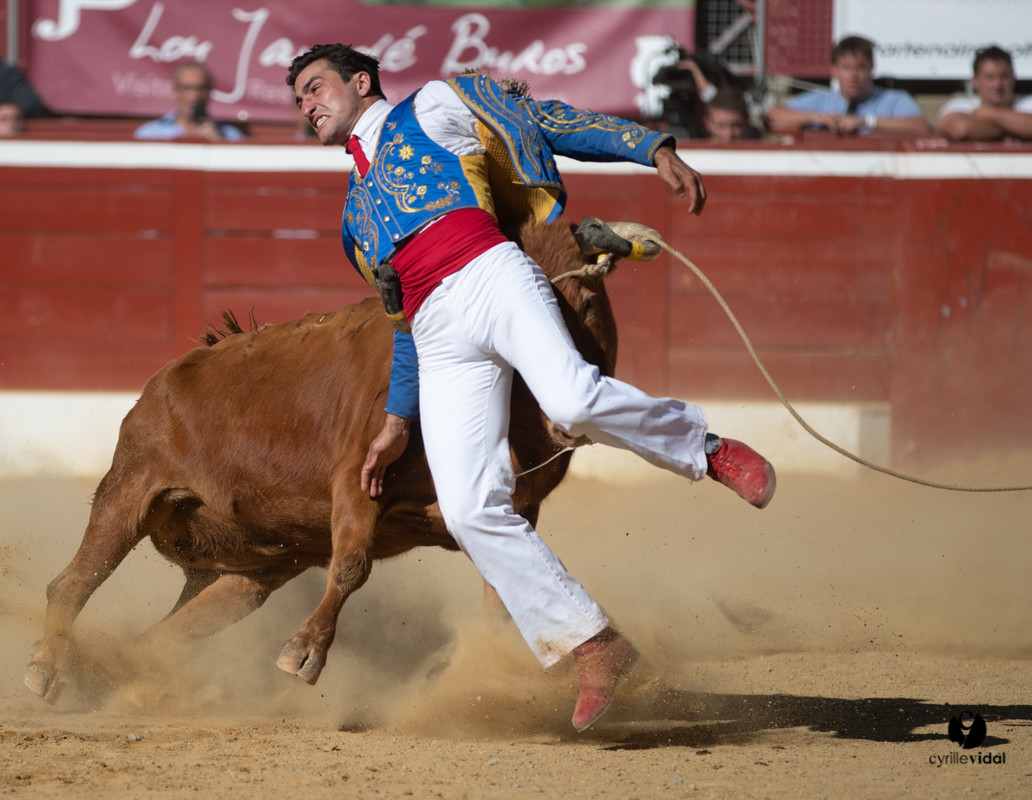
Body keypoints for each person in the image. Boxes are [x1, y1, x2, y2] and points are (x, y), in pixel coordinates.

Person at [286, 44, 777, 733]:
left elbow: (546, 121)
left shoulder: (432, 103)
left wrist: (651, 148)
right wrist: (397, 422)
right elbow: (401, 323)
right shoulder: (354, 223)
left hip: (489, 272)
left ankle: (707, 449)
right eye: (298, 100)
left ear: (361, 82)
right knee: (465, 509)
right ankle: (595, 644)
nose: (307, 106)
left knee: (572, 399)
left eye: (315, 88)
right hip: (436, 335)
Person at [766, 36, 928, 136]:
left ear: (872, 67)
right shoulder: (821, 100)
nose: (853, 76)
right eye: (846, 68)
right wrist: (819, 118)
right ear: (834, 70)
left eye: (860, 67)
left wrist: (865, 122)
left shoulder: (893, 99)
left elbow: (921, 127)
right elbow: (773, 115)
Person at [936, 46, 1032, 142]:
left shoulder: (1027, 103)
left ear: (1013, 78)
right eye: (989, 78)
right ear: (975, 81)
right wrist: (1015, 128)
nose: (997, 84)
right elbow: (961, 130)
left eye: (1003, 76)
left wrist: (984, 113)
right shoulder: (960, 105)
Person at [134, 62, 245, 142]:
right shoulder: (149, 134)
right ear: (176, 91)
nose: (194, 96)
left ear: (210, 92)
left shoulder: (231, 136)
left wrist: (217, 144)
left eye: (201, 88)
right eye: (187, 88)